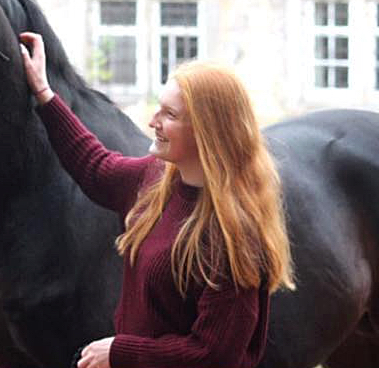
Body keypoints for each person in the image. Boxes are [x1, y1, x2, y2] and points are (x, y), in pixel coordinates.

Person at [19, 32, 293, 368]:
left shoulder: (233, 235)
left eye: (170, 114)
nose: (153, 122)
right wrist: (45, 94)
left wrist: (120, 353)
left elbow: (214, 355)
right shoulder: (156, 178)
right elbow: (95, 167)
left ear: (207, 131)